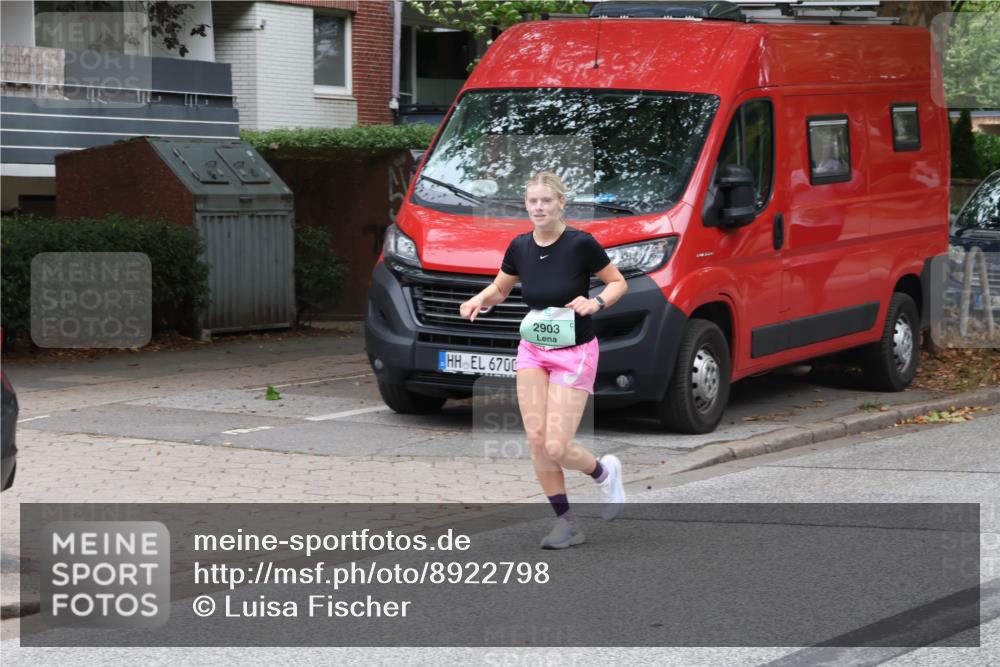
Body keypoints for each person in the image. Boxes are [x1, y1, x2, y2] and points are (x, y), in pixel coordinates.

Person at [459, 171, 629, 549]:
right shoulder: (519, 246)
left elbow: (618, 283)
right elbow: (501, 288)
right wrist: (479, 299)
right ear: (526, 204)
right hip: (533, 350)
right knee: (537, 440)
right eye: (533, 201)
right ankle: (567, 523)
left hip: (575, 352)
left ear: (560, 204)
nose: (539, 207)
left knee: (557, 446)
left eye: (546, 201)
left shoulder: (581, 244)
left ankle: (604, 473)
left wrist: (595, 301)